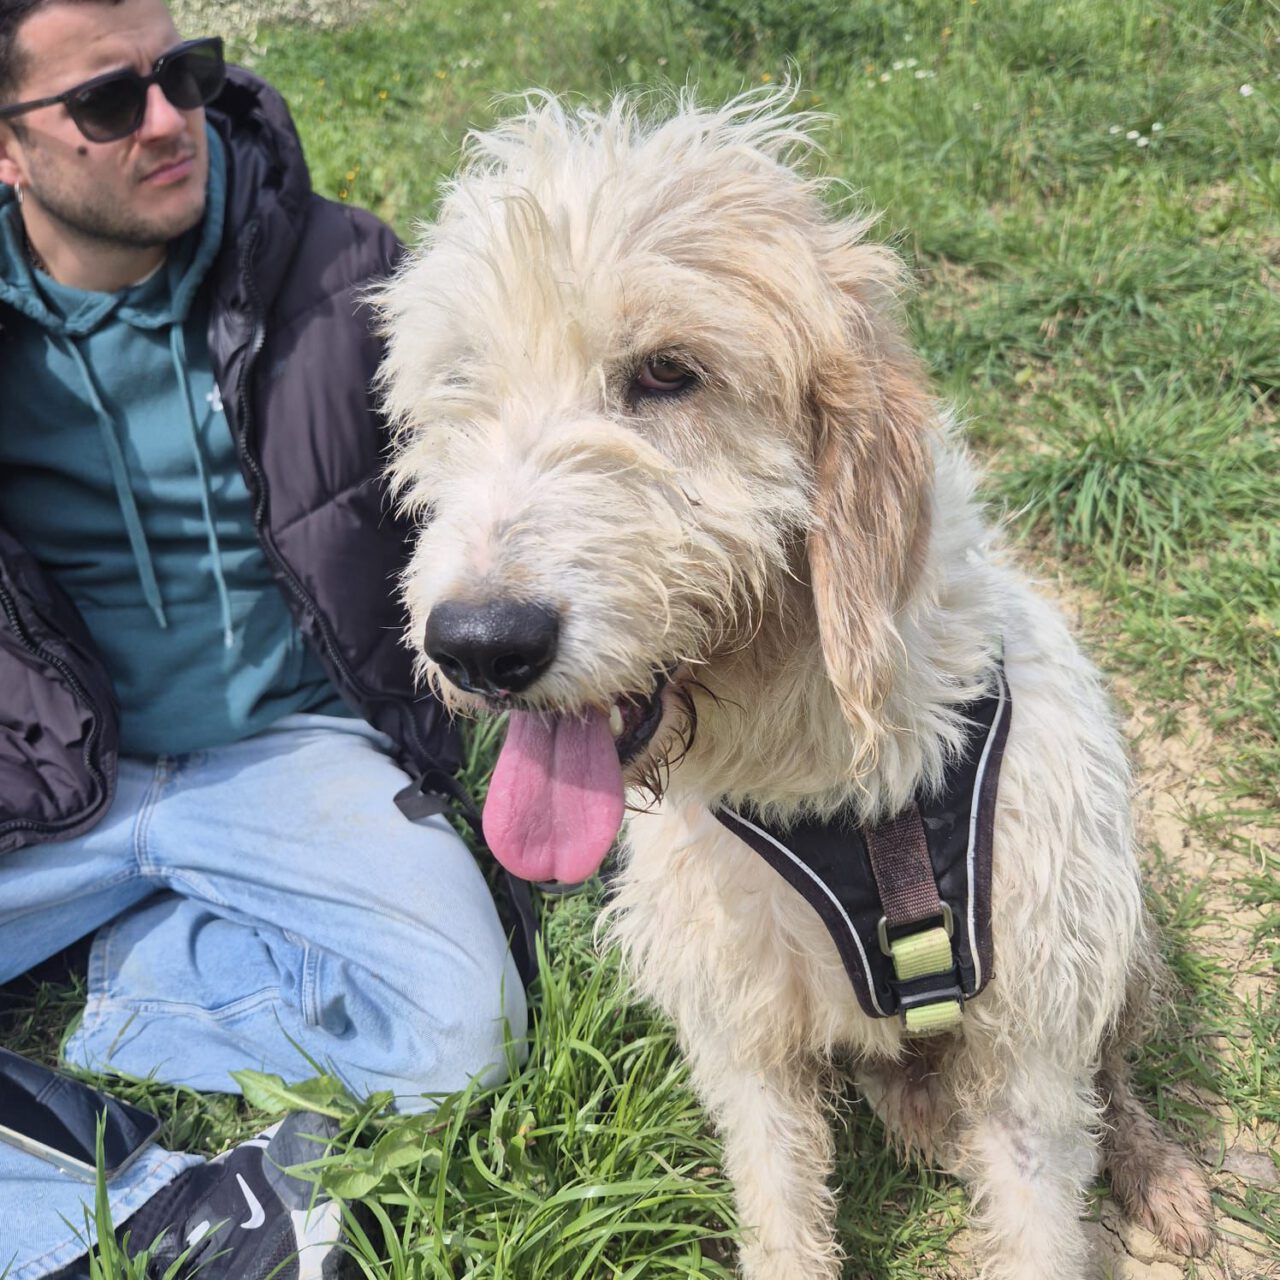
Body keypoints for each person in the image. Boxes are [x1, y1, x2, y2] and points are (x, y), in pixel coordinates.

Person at [0, 0, 528, 1275]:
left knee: (467, 1036)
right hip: (43, 769)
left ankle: (124, 993)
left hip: (292, 748)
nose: (168, 120)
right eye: (107, 100)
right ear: (5, 148)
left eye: (183, 73)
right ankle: (152, 1196)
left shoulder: (349, 273)